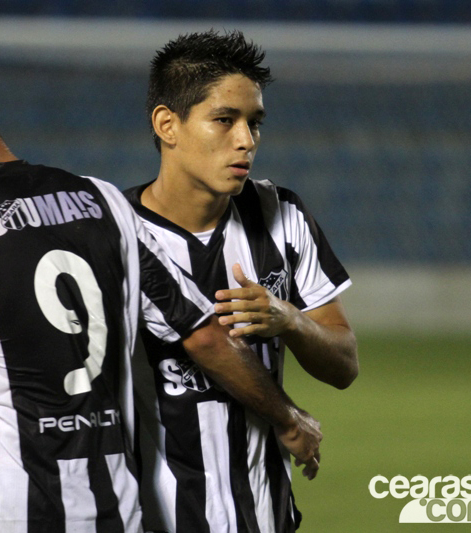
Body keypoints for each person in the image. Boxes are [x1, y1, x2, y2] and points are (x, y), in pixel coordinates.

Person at [0, 31, 322, 533]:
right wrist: (288, 416)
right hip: (115, 513)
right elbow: (204, 335)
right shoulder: (103, 202)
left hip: (10, 513)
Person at [126, 30, 359, 533]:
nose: (246, 140)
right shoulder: (113, 233)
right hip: (153, 517)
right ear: (168, 124)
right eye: (224, 120)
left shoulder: (282, 214)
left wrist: (290, 319)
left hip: (264, 514)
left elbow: (344, 364)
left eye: (254, 123)